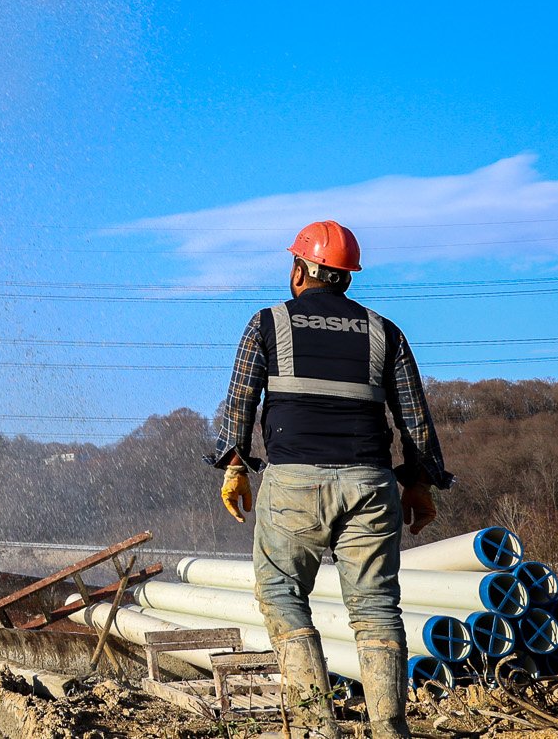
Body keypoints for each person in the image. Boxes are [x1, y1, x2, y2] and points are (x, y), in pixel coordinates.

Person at [209, 220, 453, 739]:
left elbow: (240, 401)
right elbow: (414, 419)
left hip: (293, 484)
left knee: (282, 593)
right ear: (346, 276)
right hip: (371, 485)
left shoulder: (268, 323)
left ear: (300, 270)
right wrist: (419, 483)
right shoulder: (384, 331)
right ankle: (390, 729)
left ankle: (316, 728)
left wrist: (235, 466)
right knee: (376, 608)